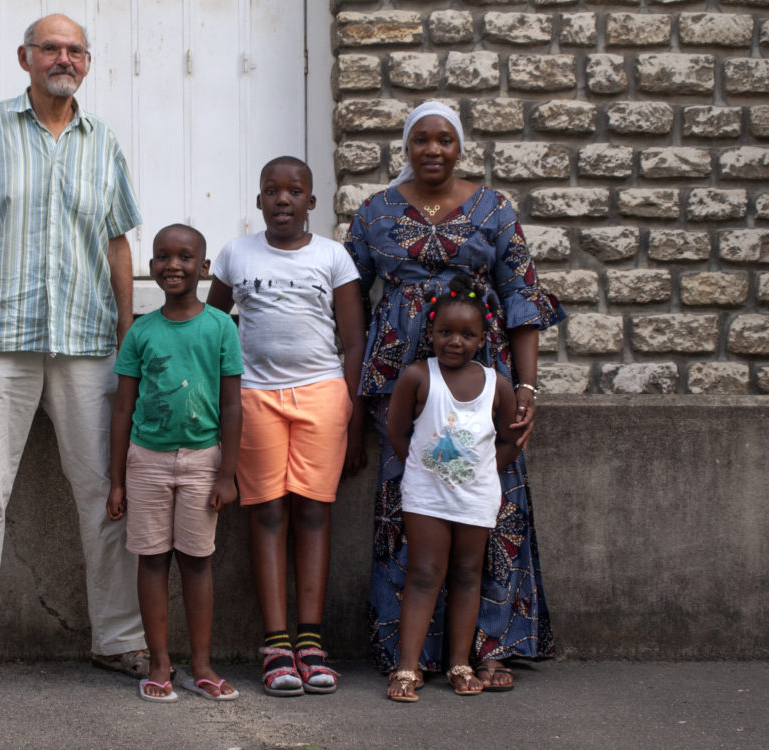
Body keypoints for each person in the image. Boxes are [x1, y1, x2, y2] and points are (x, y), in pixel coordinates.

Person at [0, 14, 147, 696]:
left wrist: (126, 335)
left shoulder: (102, 141)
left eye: (75, 49)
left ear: (88, 63)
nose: (63, 58)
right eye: (50, 47)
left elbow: (117, 245)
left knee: (106, 497)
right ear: (23, 58)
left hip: (86, 345)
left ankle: (119, 640)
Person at [345, 101, 565, 691]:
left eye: (445, 139)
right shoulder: (374, 213)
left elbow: (522, 299)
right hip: (401, 383)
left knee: (493, 502)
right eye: (421, 139)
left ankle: (488, 648)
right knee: (408, 505)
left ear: (459, 146)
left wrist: (525, 388)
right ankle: (407, 653)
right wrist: (351, 390)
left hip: (480, 384)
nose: (433, 149)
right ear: (406, 146)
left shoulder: (494, 209)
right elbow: (347, 299)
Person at [207, 156, 366, 696]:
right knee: (268, 512)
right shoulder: (235, 254)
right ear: (258, 201)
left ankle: (312, 642)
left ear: (311, 203)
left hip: (323, 395)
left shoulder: (333, 257)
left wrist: (352, 411)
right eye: (271, 191)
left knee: (314, 512)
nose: (282, 200)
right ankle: (277, 645)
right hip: (255, 397)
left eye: (294, 191)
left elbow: (352, 341)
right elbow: (214, 326)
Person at [107, 224, 243, 703]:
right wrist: (117, 480)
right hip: (146, 461)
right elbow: (122, 407)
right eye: (163, 257)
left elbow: (231, 406)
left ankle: (201, 665)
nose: (173, 265)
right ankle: (160, 663)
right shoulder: (142, 331)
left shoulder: (221, 327)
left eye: (185, 257)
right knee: (152, 559)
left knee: (197, 560)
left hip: (203, 461)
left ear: (204, 268)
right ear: (150, 269)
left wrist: (227, 474)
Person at [385, 276, 521, 702]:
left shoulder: (497, 385)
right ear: (431, 332)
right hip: (425, 496)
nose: (455, 342)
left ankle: (459, 663)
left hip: (477, 497)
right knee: (424, 574)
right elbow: (396, 431)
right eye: (445, 332)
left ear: (482, 339)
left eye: (466, 334)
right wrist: (429, 471)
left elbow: (509, 440)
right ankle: (407, 667)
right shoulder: (417, 376)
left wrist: (481, 473)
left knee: (467, 575)